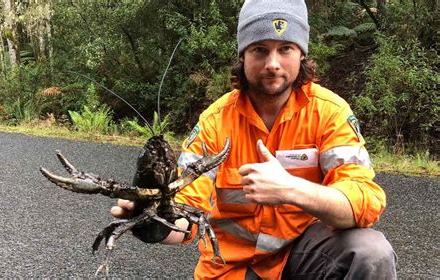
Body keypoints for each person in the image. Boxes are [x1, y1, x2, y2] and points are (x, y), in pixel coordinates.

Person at [112, 0, 397, 279]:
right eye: (260, 50)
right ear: (243, 56)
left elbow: (364, 203)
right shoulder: (214, 122)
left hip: (302, 262)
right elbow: (187, 212)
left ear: (301, 54)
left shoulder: (329, 113)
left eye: (285, 48)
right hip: (230, 269)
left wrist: (290, 189)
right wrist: (153, 223)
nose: (272, 64)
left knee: (370, 253)